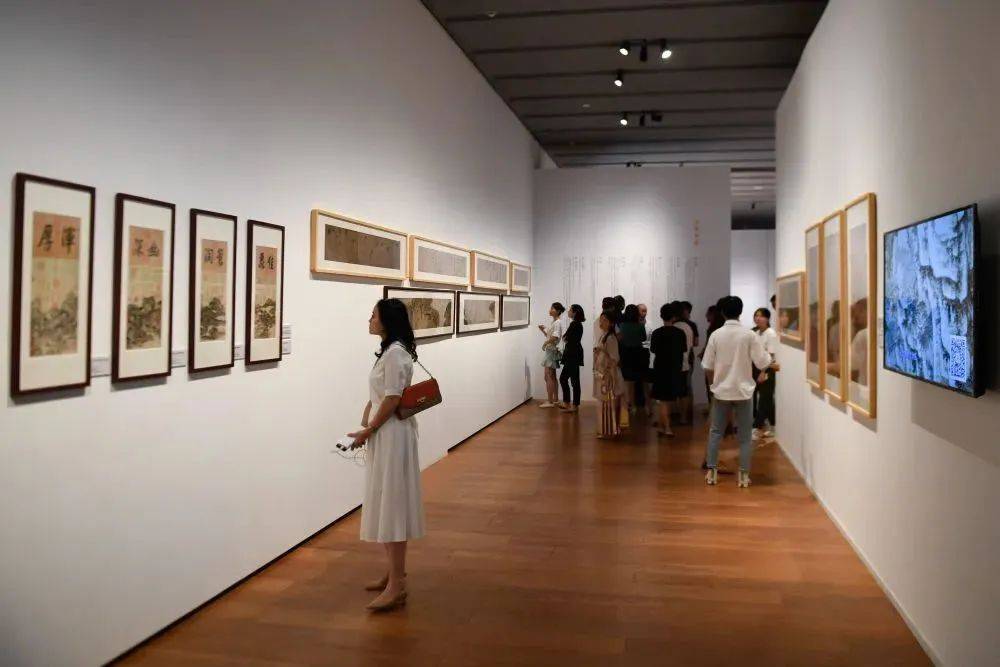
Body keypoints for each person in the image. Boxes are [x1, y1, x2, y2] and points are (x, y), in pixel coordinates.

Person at [348, 298, 426, 611]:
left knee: (392, 504)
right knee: (385, 501)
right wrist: (366, 420)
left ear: (386, 321)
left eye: (373, 316)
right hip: (385, 433)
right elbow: (380, 395)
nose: (369, 320)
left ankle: (397, 584)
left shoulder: (395, 353)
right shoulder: (389, 352)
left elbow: (392, 399)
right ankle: (395, 573)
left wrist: (369, 429)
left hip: (392, 435)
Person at [701, 296, 774, 488]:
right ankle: (743, 475)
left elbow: (707, 366)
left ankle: (711, 472)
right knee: (744, 436)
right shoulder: (749, 335)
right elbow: (763, 361)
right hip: (744, 392)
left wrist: (713, 385)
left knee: (716, 432)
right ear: (740, 312)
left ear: (722, 312)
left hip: (721, 391)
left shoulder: (716, 335)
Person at [649, 303, 687, 437]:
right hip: (674, 368)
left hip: (660, 368)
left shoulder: (656, 333)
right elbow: (683, 350)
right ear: (674, 317)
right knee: (667, 399)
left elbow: (653, 349)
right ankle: (666, 427)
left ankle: (663, 426)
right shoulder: (680, 333)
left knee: (663, 399)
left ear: (661, 316)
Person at [594, 309, 626, 438]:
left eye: (605, 320)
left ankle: (612, 429)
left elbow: (614, 359)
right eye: (601, 319)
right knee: (605, 403)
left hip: (609, 375)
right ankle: (607, 429)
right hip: (604, 374)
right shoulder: (604, 336)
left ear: (611, 323)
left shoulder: (611, 338)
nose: (601, 322)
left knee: (609, 403)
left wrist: (609, 374)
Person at [751, 307, 779, 440]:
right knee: (767, 399)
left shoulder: (770, 333)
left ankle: (757, 428)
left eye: (761, 316)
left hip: (767, 369)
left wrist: (763, 372)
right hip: (757, 369)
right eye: (756, 315)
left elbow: (771, 355)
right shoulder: (756, 333)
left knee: (763, 399)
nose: (758, 318)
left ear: (767, 318)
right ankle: (773, 426)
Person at [618, 304, 647, 415]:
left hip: (625, 353)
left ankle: (627, 404)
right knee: (635, 380)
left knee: (626, 380)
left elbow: (620, 339)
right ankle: (634, 405)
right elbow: (643, 338)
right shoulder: (640, 326)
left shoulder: (622, 326)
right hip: (637, 353)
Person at [537, 302, 566, 408]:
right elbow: (551, 336)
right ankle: (555, 400)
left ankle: (550, 401)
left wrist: (545, 343)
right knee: (551, 376)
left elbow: (555, 337)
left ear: (557, 311)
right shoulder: (555, 322)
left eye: (552, 308)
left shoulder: (557, 323)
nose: (550, 310)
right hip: (551, 350)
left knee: (548, 376)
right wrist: (544, 330)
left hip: (551, 351)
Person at [559, 304, 586, 413]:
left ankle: (572, 404)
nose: (568, 311)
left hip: (572, 354)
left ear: (575, 312)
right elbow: (565, 338)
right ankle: (570, 404)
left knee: (570, 379)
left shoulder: (575, 324)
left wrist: (566, 338)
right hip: (573, 353)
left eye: (570, 310)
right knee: (570, 379)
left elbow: (566, 338)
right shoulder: (577, 324)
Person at [671, 302, 694, 425]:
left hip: (674, 364)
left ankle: (676, 415)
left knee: (674, 391)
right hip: (685, 363)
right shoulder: (688, 327)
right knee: (684, 391)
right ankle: (683, 417)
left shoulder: (674, 327)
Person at [637, 303, 655, 417]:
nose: (644, 313)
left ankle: (648, 406)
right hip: (636, 354)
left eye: (645, 310)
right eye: (642, 310)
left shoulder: (649, 324)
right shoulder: (633, 324)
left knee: (646, 382)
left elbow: (650, 341)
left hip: (646, 355)